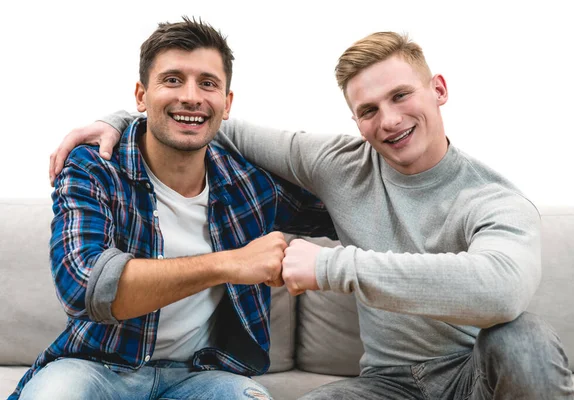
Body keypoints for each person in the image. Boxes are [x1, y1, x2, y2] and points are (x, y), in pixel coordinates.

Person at [50, 32, 574, 399]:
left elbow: (500, 290)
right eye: (368, 110)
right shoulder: (339, 166)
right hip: (385, 385)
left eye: (401, 96)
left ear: (437, 90)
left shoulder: (494, 200)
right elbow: (203, 120)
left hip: (471, 377)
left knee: (522, 337)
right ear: (354, 119)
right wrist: (117, 120)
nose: (388, 121)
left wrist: (330, 267)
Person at [11, 17, 336, 400]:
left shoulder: (248, 184)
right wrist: (229, 263)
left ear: (227, 104)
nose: (192, 96)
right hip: (96, 366)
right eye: (172, 79)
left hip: (202, 375)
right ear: (140, 96)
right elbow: (86, 288)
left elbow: (351, 202)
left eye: (208, 83)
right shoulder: (94, 168)